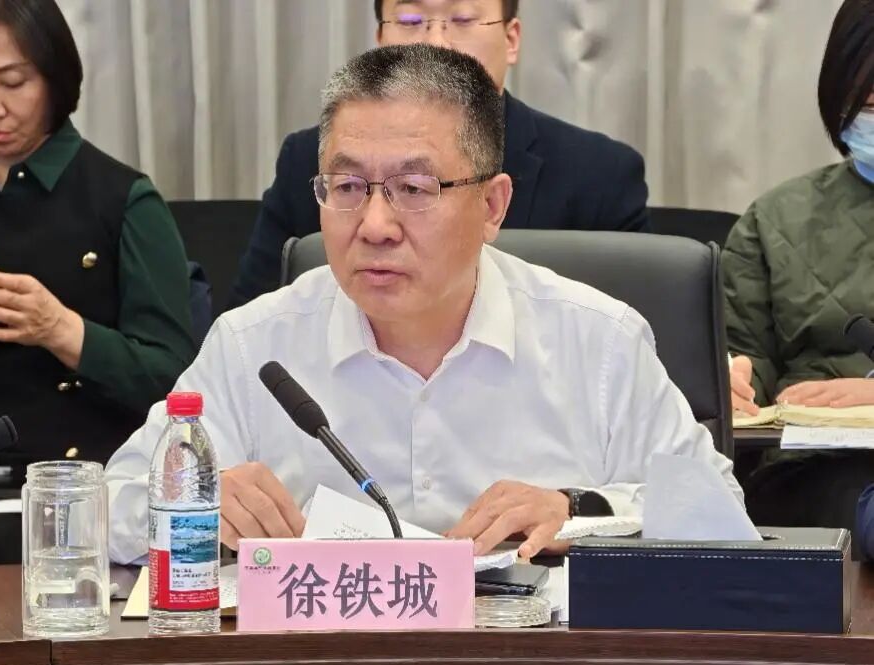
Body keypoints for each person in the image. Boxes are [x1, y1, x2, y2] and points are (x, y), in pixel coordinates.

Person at [106, 44, 738, 566]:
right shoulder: (253, 345)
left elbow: (721, 516)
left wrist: (579, 511)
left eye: (414, 188)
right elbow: (109, 507)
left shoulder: (597, 342)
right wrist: (192, 504)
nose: (375, 225)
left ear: (492, 206)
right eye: (347, 186)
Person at [0, 0, 195, 564]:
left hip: (82, 500)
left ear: (55, 76)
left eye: (13, 82)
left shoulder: (123, 199)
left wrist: (61, 330)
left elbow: (177, 384)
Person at [227, 0, 649, 307]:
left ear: (511, 38)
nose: (435, 41)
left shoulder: (600, 174)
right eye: (410, 20)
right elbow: (254, 320)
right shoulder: (312, 158)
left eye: (462, 19)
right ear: (380, 40)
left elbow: (631, 346)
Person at [724, 0, 874, 535]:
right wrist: (732, 383)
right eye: (869, 104)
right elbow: (747, 354)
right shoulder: (776, 219)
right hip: (813, 471)